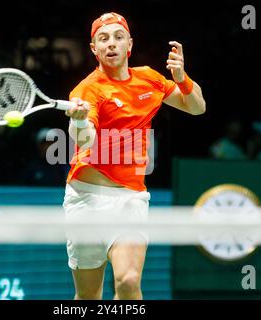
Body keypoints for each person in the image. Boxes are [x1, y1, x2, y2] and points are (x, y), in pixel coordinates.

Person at [63, 12, 206, 300]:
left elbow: (197, 107)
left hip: (129, 199)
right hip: (85, 200)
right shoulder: (88, 89)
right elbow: (84, 138)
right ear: (94, 49)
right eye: (103, 39)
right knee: (88, 296)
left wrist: (181, 78)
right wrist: (78, 120)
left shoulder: (149, 80)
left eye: (118, 37)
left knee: (128, 282)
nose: (111, 44)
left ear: (129, 44)